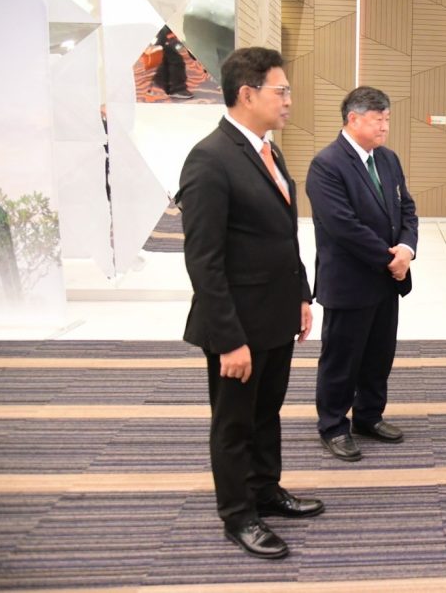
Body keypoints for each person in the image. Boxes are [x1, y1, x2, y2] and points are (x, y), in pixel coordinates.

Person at [175, 47, 323, 560]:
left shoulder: (269, 152)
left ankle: (265, 490)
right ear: (247, 94)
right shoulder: (210, 159)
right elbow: (204, 261)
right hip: (236, 324)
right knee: (234, 423)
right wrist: (229, 339)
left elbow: (283, 235)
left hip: (276, 314)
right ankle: (238, 515)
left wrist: (300, 295)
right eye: (281, 91)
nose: (288, 100)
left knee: (267, 412)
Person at [306, 86, 418, 462]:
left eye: (387, 119)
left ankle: (369, 416)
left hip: (387, 280)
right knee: (342, 358)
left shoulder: (388, 159)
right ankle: (333, 425)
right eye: (377, 120)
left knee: (378, 355)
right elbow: (343, 226)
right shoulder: (327, 164)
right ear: (352, 119)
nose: (384, 126)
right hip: (350, 281)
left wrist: (406, 249)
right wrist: (389, 259)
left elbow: (407, 210)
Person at [152, 26, 193, 100]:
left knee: (168, 59)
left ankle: (161, 80)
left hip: (165, 34)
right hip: (166, 35)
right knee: (176, 61)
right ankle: (177, 89)